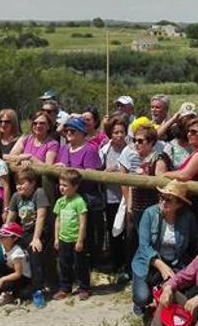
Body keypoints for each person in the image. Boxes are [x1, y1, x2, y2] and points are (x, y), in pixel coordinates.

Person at [130, 180, 198, 316]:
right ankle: (141, 295)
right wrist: (161, 265)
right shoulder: (149, 214)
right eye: (161, 197)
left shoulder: (188, 217)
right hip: (148, 262)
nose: (163, 202)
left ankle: (160, 296)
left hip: (176, 262)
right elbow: (144, 246)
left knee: (181, 293)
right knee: (142, 298)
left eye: (168, 199)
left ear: (179, 204)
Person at [57, 117, 104, 281]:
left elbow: (92, 176)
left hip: (85, 198)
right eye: (66, 131)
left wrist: (70, 171)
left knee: (85, 237)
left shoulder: (90, 150)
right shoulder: (64, 149)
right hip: (67, 198)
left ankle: (87, 273)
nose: (68, 133)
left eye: (72, 131)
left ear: (82, 133)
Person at [121, 122, 166, 277]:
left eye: (140, 141)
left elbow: (161, 185)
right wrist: (130, 206)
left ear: (151, 142)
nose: (136, 144)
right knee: (138, 241)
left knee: (151, 242)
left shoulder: (158, 159)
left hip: (152, 208)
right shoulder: (138, 159)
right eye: (135, 140)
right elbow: (132, 185)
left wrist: (145, 178)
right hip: (138, 207)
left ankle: (153, 274)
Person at [162, 118, 198, 235]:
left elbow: (184, 175)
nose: (189, 134)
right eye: (188, 131)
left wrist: (165, 174)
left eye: (194, 132)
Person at [6, 167, 50, 300]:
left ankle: (38, 288)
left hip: (39, 231)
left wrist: (36, 238)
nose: (19, 186)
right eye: (17, 184)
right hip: (23, 232)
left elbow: (41, 216)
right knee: (9, 251)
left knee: (34, 251)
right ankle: (13, 285)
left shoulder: (39, 193)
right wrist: (4, 236)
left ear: (32, 183)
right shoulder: (15, 196)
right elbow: (11, 217)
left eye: (22, 183)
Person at [53, 169, 90, 301]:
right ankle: (65, 288)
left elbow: (83, 222)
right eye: (60, 184)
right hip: (63, 239)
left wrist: (80, 240)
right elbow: (57, 220)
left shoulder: (79, 201)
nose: (61, 188)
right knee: (64, 265)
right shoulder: (60, 201)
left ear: (75, 187)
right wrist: (56, 238)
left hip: (76, 239)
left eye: (65, 185)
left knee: (80, 264)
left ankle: (84, 287)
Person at [99, 115, 129, 274]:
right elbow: (99, 170)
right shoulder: (105, 149)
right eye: (115, 132)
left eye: (122, 132)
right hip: (111, 197)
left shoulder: (131, 148)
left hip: (127, 198)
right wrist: (105, 173)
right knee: (113, 232)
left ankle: (127, 264)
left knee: (127, 233)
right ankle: (116, 263)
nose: (119, 135)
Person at [0, 221, 33, 306]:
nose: (0, 238)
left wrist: (3, 278)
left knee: (5, 283)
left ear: (14, 238)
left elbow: (18, 274)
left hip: (23, 276)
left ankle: (9, 294)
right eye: (0, 236)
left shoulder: (17, 252)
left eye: (4, 237)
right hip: (12, 269)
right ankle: (5, 292)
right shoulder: (4, 246)